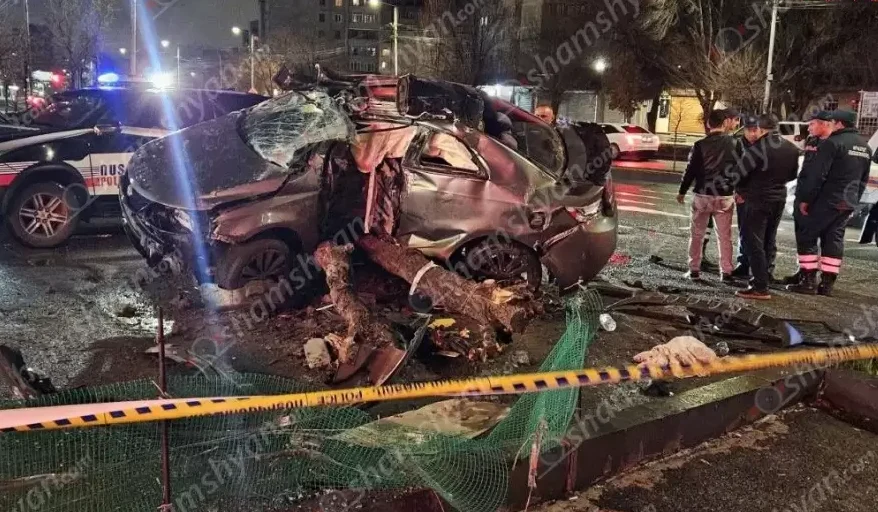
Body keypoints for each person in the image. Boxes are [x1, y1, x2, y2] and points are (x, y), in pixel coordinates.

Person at [788, 110, 873, 296]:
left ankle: (808, 281)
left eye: (833, 122)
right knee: (833, 240)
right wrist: (853, 201)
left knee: (807, 236)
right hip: (846, 202)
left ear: (840, 123)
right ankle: (827, 285)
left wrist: (806, 199)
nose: (831, 124)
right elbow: (863, 179)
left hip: (824, 200)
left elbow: (818, 175)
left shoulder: (833, 143)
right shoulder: (865, 147)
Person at [733, 114, 800, 299]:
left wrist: (741, 191)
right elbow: (792, 175)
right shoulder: (791, 149)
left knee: (753, 241)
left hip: (756, 198)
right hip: (778, 198)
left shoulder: (757, 148)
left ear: (761, 129)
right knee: (769, 239)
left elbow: (738, 174)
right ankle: (766, 275)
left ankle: (759, 286)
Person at [677, 109, 738, 282]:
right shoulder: (735, 143)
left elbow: (690, 170)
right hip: (725, 196)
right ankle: (726, 272)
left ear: (709, 124)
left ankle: (694, 270)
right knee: (724, 236)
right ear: (724, 123)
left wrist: (682, 191)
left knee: (697, 235)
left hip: (703, 194)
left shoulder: (699, 145)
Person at [701, 109, 741, 271]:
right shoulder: (730, 142)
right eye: (735, 120)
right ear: (726, 121)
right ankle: (723, 267)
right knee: (718, 229)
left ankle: (700, 257)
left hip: (708, 190)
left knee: (708, 225)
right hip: (718, 190)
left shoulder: (714, 140)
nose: (737, 124)